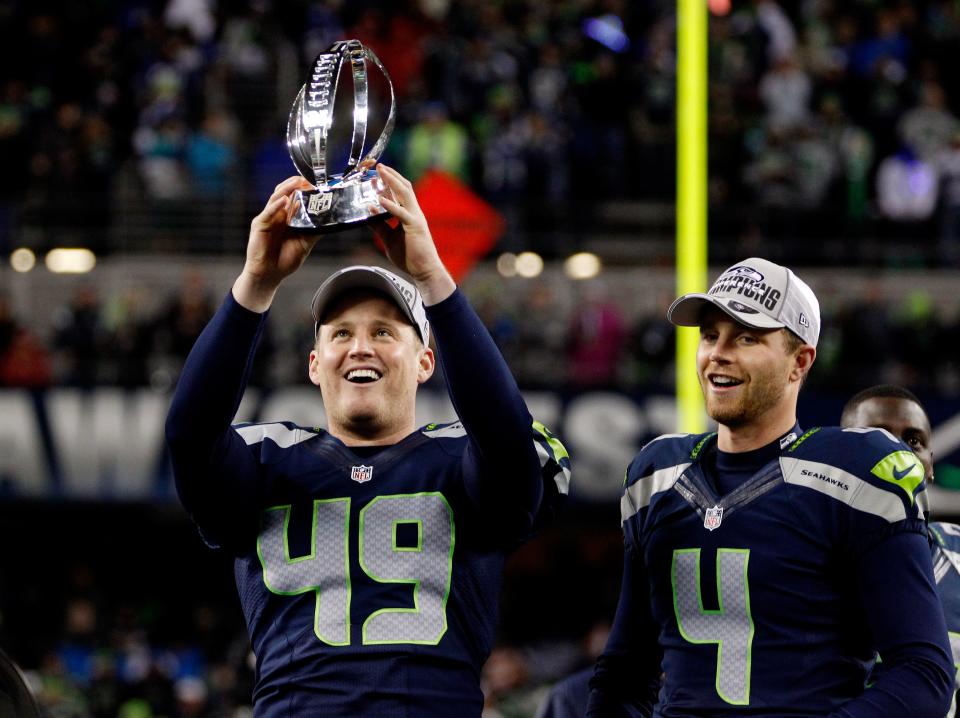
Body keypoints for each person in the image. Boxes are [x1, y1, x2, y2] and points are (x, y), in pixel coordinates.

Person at [165, 165, 570, 716]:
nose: (360, 347)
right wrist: (256, 283)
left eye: (383, 332)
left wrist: (433, 276)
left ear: (428, 361)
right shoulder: (265, 461)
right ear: (314, 364)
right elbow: (189, 434)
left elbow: (504, 437)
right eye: (340, 334)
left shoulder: (459, 458)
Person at [586, 258, 953, 717]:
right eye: (709, 335)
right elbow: (625, 672)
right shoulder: (657, 476)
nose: (718, 352)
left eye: (746, 337)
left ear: (799, 361)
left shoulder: (855, 475)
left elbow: (924, 673)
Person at [840, 385, 960, 716]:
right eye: (875, 436)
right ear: (835, 456)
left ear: (931, 465)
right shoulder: (801, 559)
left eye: (913, 442)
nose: (898, 456)